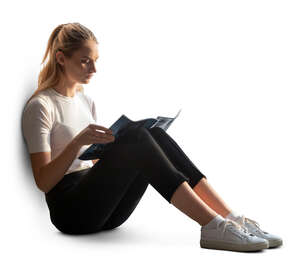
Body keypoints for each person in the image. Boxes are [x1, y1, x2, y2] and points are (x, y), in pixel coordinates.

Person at [21, 22, 282, 252]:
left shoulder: (85, 101)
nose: (93, 69)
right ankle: (212, 226)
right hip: (71, 213)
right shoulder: (41, 106)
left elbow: (92, 167)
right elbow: (43, 182)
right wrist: (78, 142)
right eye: (85, 61)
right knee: (136, 136)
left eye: (95, 60)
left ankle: (231, 219)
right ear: (61, 58)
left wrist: (111, 154)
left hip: (106, 211)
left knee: (151, 132)